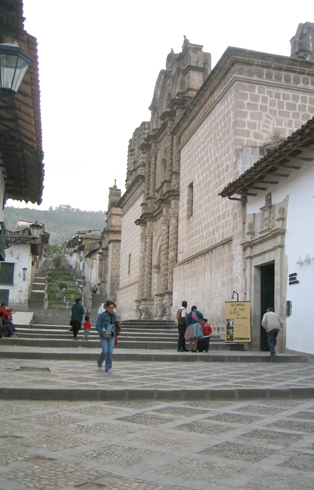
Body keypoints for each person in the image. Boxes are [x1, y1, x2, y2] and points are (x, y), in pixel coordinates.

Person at [96, 299, 118, 372]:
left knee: (110, 352)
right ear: (106, 307)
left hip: (111, 335)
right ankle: (99, 362)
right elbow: (97, 326)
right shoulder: (102, 315)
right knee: (105, 351)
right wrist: (103, 333)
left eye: (113, 308)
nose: (112, 309)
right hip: (104, 335)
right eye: (110, 308)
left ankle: (108, 367)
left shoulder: (114, 315)